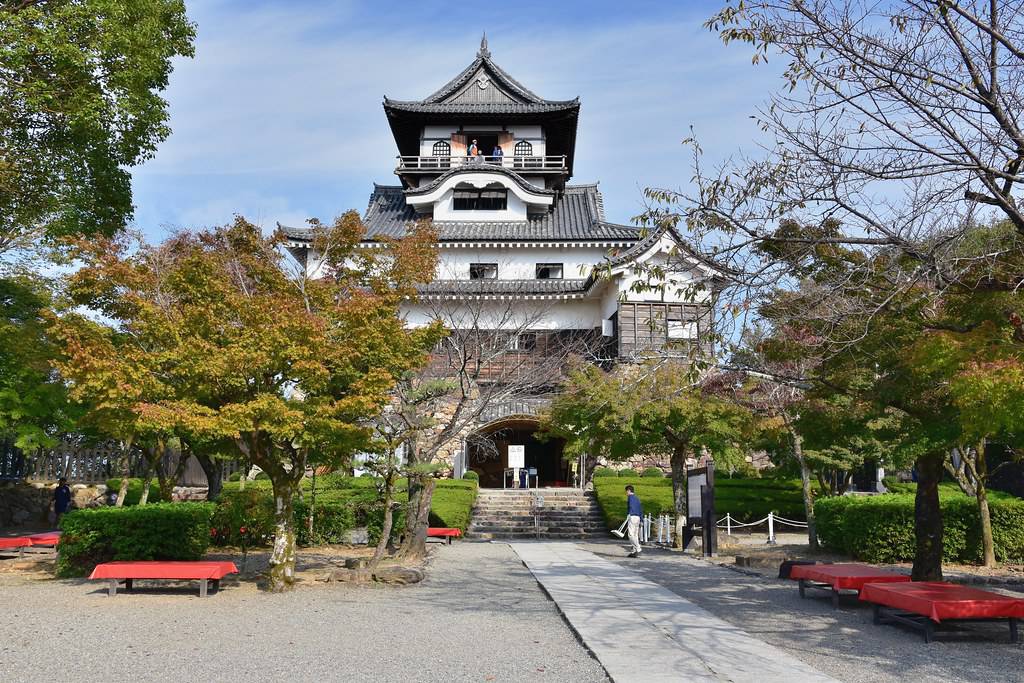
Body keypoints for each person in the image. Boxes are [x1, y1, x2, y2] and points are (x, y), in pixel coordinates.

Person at [625, 484, 643, 557]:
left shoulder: (630, 497)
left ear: (629, 490)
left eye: (626, 491)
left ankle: (638, 548)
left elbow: (631, 506)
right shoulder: (637, 498)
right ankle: (634, 551)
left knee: (630, 535)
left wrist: (629, 514)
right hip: (638, 517)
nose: (626, 493)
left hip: (632, 517)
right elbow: (641, 509)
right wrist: (641, 520)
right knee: (635, 535)